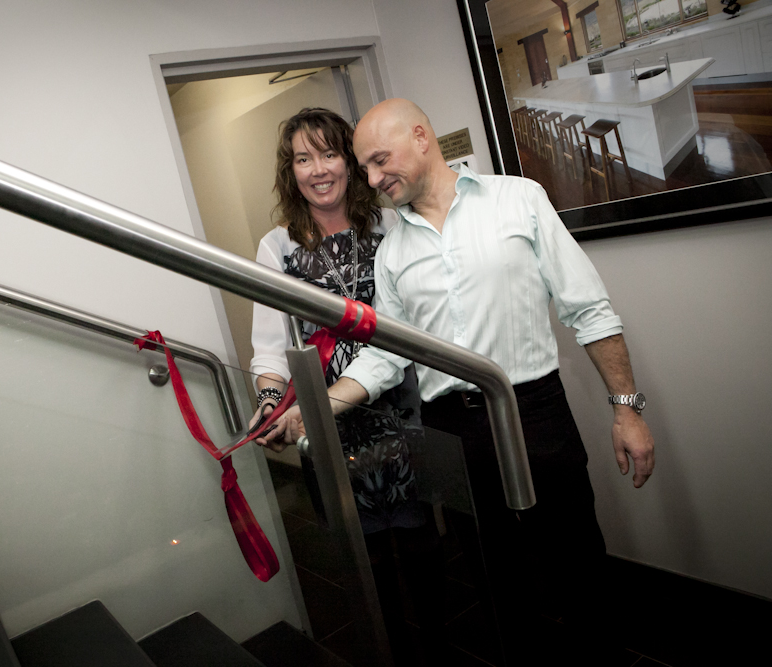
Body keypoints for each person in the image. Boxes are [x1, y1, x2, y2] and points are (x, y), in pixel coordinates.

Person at [264, 99, 655, 664]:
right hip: (454, 430)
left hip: (536, 413)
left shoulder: (518, 198)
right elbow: (385, 357)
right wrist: (320, 405)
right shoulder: (393, 251)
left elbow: (589, 309)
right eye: (365, 168)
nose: (371, 179)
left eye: (378, 161)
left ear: (421, 138)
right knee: (497, 579)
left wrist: (627, 409)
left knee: (577, 562)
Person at [249, 107, 443, 664]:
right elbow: (269, 345)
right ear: (291, 172)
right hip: (327, 421)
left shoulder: (388, 224)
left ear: (351, 161)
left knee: (421, 539)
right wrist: (269, 400)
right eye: (302, 159)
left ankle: (434, 646)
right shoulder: (277, 247)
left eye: (328, 153)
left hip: (402, 407)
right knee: (366, 555)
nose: (317, 170)